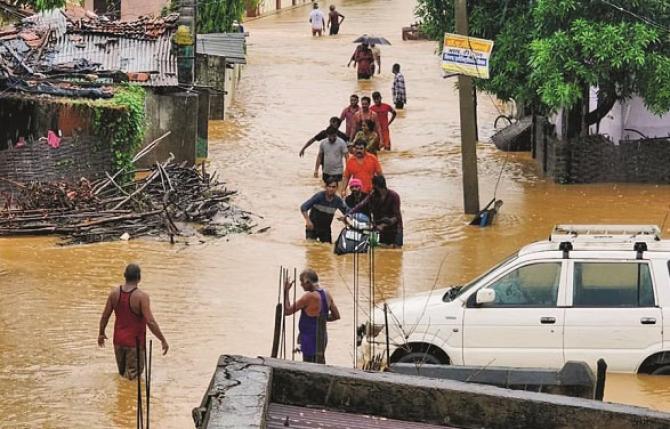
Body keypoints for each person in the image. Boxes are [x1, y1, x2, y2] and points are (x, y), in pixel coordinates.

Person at [98, 264, 169, 380]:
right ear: (139, 278)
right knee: (132, 380)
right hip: (134, 344)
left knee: (122, 377)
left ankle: (121, 397)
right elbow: (150, 322)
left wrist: (101, 333)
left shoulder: (114, 294)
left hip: (118, 342)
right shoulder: (142, 297)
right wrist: (162, 339)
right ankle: (128, 398)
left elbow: (105, 316)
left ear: (125, 276)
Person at [283, 269, 340, 363]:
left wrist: (286, 291)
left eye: (302, 282)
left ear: (307, 282)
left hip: (309, 339)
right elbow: (336, 316)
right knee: (320, 364)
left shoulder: (308, 297)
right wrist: (320, 319)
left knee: (309, 367)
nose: (301, 285)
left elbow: (287, 311)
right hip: (322, 338)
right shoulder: (327, 294)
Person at [349, 175, 403, 248]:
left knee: (396, 251)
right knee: (380, 250)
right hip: (379, 228)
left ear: (376, 186)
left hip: (394, 229)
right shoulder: (373, 195)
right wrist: (348, 214)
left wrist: (383, 225)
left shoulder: (394, 196)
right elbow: (361, 204)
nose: (372, 187)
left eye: (373, 185)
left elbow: (397, 217)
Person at [301, 179, 348, 243]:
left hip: (326, 229)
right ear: (325, 187)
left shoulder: (338, 201)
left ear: (337, 188)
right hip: (312, 228)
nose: (331, 189)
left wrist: (345, 219)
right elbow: (303, 207)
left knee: (327, 248)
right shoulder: (319, 197)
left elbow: (347, 212)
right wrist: (308, 221)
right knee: (310, 249)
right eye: (329, 186)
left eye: (333, 187)